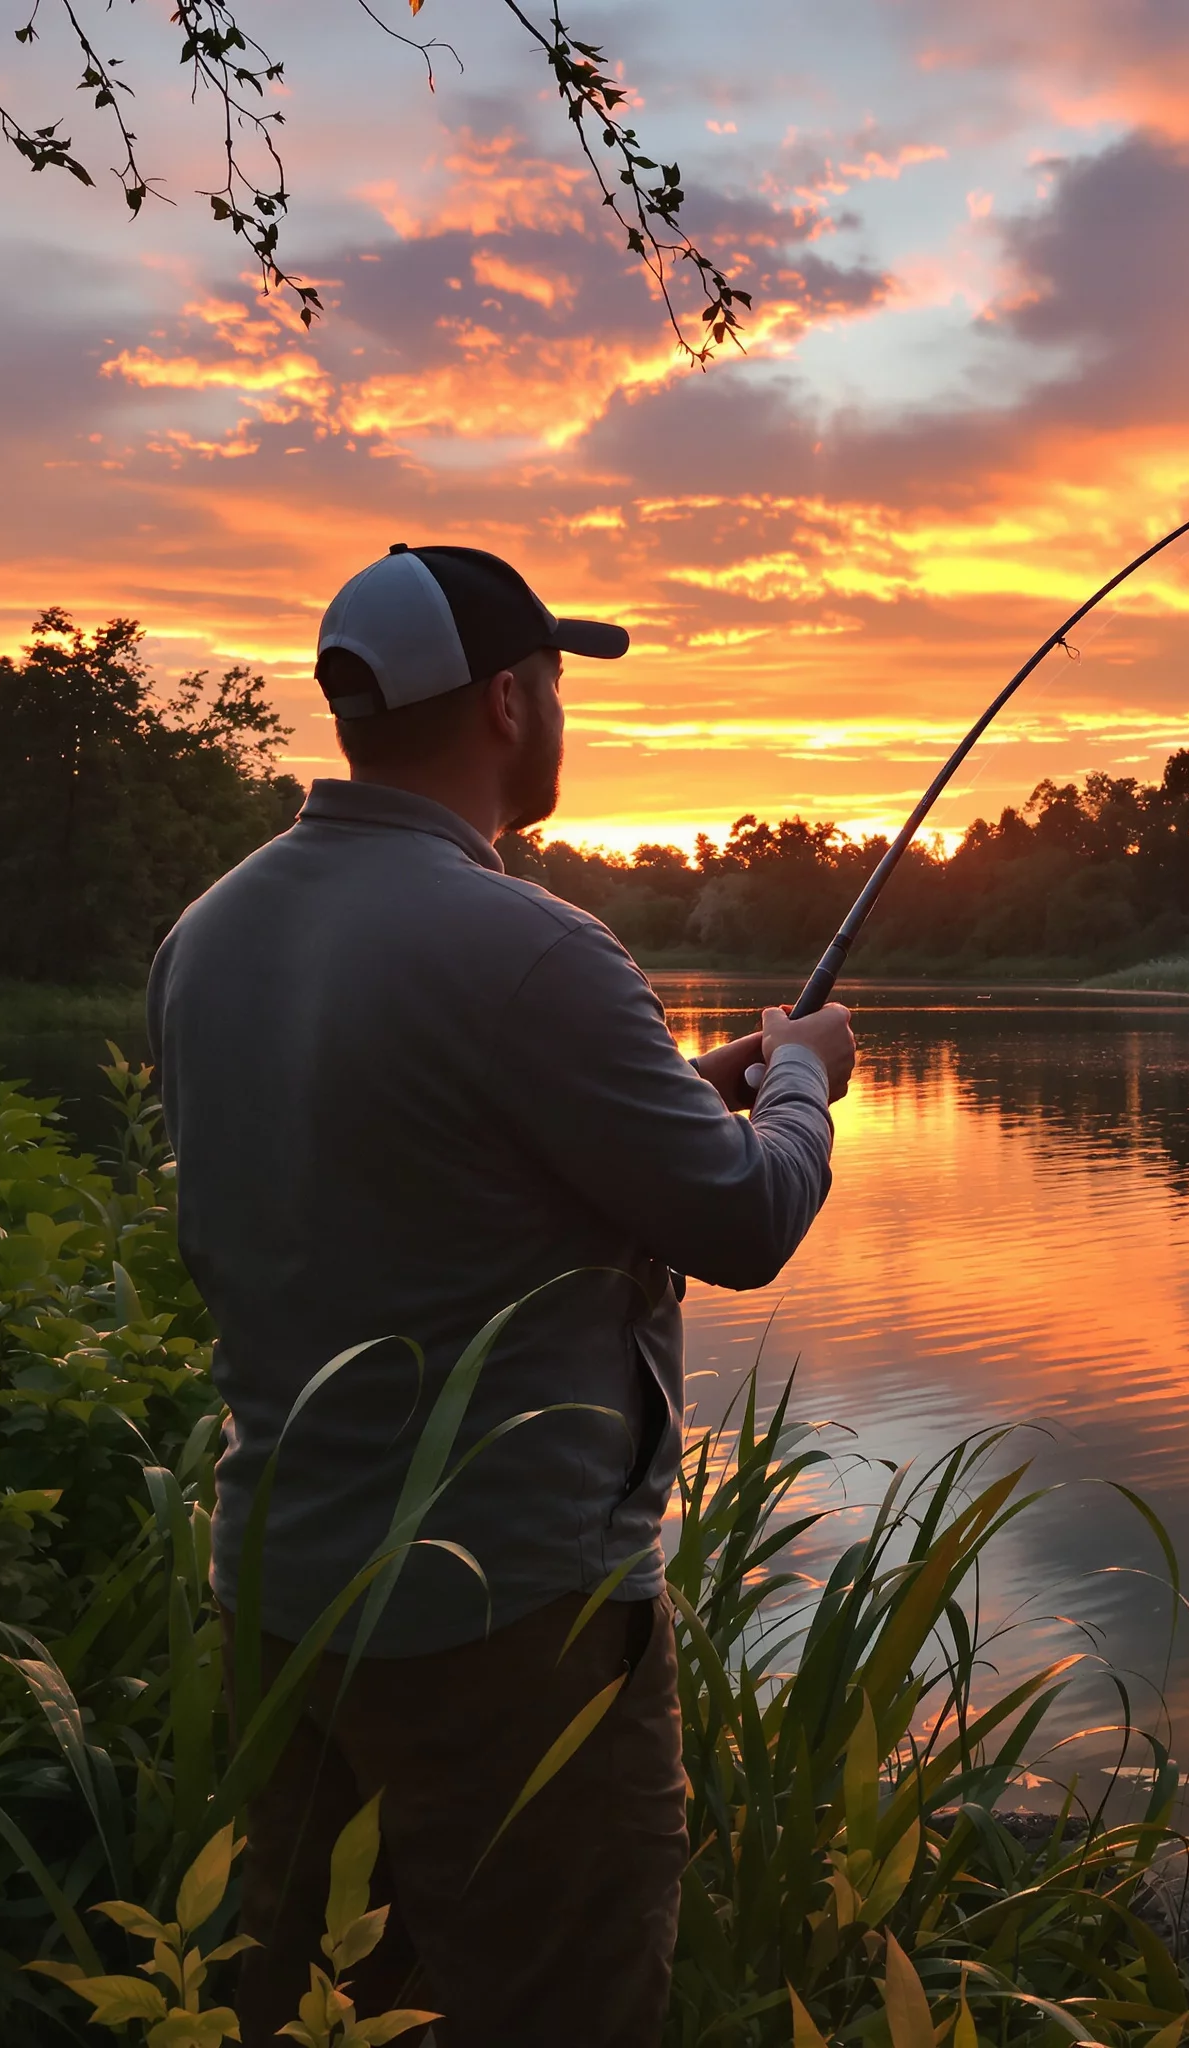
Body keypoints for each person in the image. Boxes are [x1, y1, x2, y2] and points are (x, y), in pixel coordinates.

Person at [147, 543, 855, 2046]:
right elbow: (743, 1222)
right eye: (552, 683)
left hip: (280, 1602)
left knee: (340, 2004)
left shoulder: (207, 936)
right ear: (512, 703)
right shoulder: (533, 948)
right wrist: (801, 1079)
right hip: (511, 1627)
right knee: (559, 2000)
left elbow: (400, 1166)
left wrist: (670, 1095)